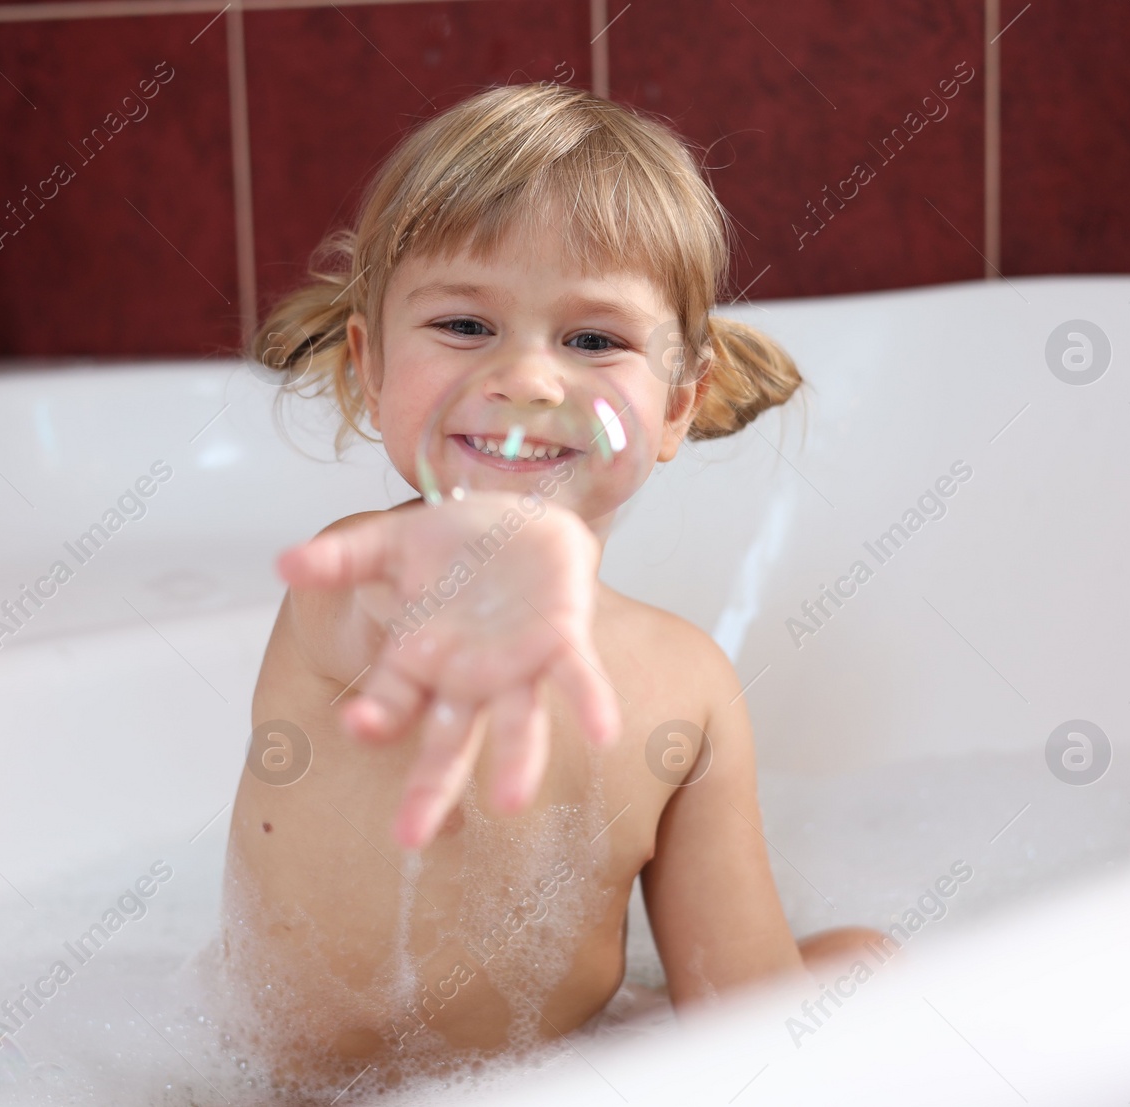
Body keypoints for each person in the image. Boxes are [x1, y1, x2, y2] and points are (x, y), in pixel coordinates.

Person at [206, 81, 881, 1103]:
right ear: (371, 362)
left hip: (550, 1083)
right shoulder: (365, 575)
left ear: (675, 408)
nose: (526, 377)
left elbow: (742, 1014)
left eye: (593, 340)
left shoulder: (689, 687)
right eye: (467, 324)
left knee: (864, 957)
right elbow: (385, 605)